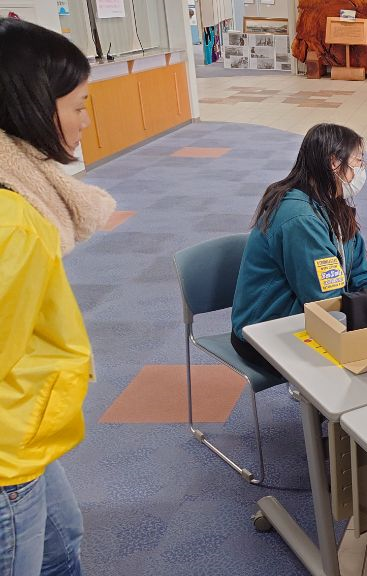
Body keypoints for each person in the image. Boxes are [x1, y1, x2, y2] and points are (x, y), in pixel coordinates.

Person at [0, 17, 116, 575]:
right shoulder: (14, 222)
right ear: (32, 108)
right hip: (7, 449)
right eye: (78, 106)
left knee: (62, 542)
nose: (84, 121)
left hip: (25, 432)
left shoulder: (21, 198)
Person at [231, 123, 367, 369]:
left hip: (304, 316)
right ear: (334, 163)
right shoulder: (300, 218)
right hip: (266, 331)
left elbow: (359, 268)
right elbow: (322, 298)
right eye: (357, 162)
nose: (361, 169)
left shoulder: (334, 202)